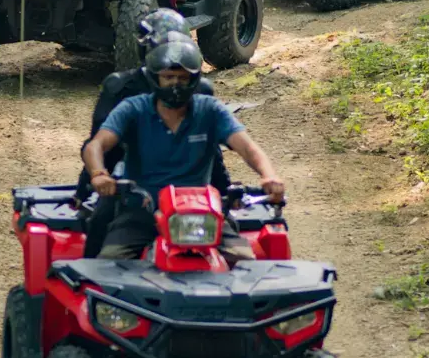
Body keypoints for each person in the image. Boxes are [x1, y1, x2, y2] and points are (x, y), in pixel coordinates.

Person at [84, 36, 284, 262]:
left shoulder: (210, 110)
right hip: (141, 213)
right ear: (155, 78)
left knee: (244, 261)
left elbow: (248, 149)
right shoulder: (133, 109)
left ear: (194, 80)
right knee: (109, 265)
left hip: (201, 215)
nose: (175, 84)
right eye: (168, 77)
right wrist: (99, 174)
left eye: (182, 78)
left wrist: (269, 176)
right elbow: (96, 145)